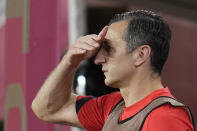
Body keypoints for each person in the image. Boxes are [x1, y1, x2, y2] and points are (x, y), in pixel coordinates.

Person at [32, 10, 195, 131]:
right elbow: (48, 110)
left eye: (108, 48)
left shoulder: (165, 117)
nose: (98, 59)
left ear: (141, 54)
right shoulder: (112, 106)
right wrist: (70, 61)